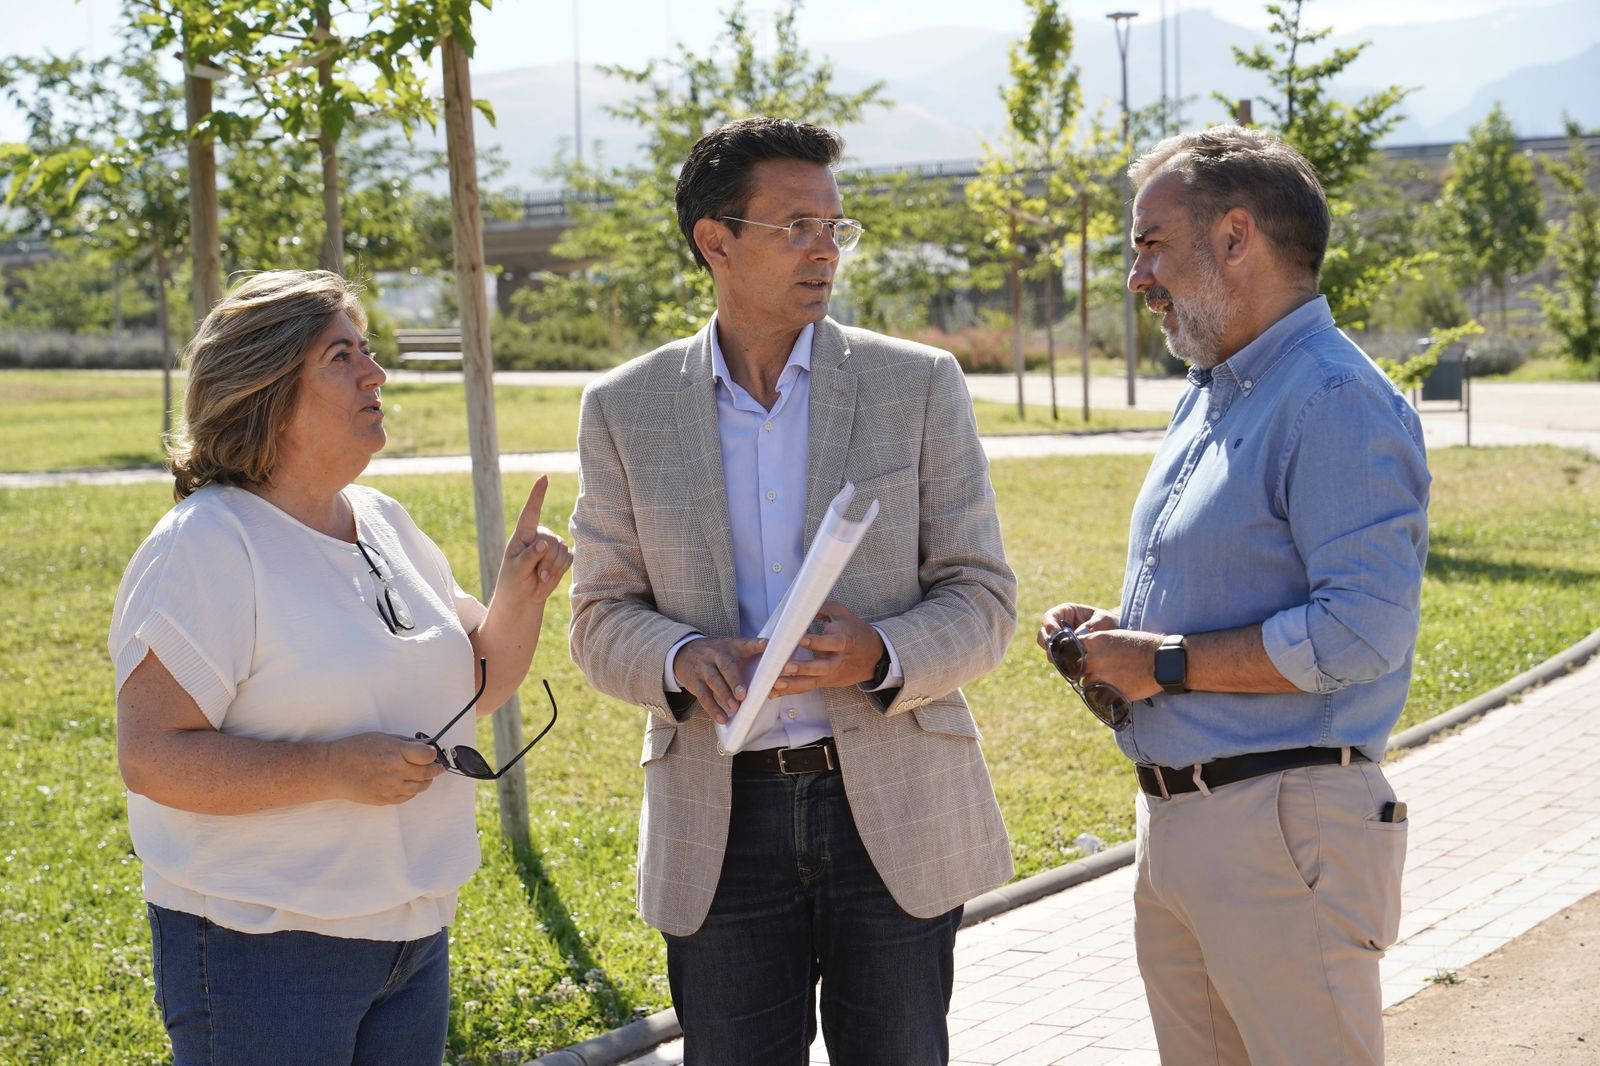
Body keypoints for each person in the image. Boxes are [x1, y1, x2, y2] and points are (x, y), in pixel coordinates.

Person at [568, 117, 1016, 1064]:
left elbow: (982, 596)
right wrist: (681, 658)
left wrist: (883, 653)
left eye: (835, 228)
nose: (826, 250)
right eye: (797, 226)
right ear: (715, 241)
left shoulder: (919, 385)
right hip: (720, 821)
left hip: (889, 808)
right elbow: (600, 616)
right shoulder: (623, 408)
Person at [108, 269, 572, 1065]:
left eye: (368, 350)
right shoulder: (208, 544)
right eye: (341, 355)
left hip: (412, 936)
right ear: (268, 389)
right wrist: (329, 767)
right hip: (263, 947)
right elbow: (152, 757)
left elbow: (480, 683)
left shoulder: (384, 520)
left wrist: (519, 594)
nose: (375, 372)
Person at [1038, 126, 1430, 1066]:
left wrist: (1164, 664)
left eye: (1150, 242)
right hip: (1184, 828)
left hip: (1281, 834)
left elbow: (1361, 630)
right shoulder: (1216, 390)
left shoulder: (1333, 397)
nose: (1137, 276)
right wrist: (1121, 643)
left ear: (1235, 237)